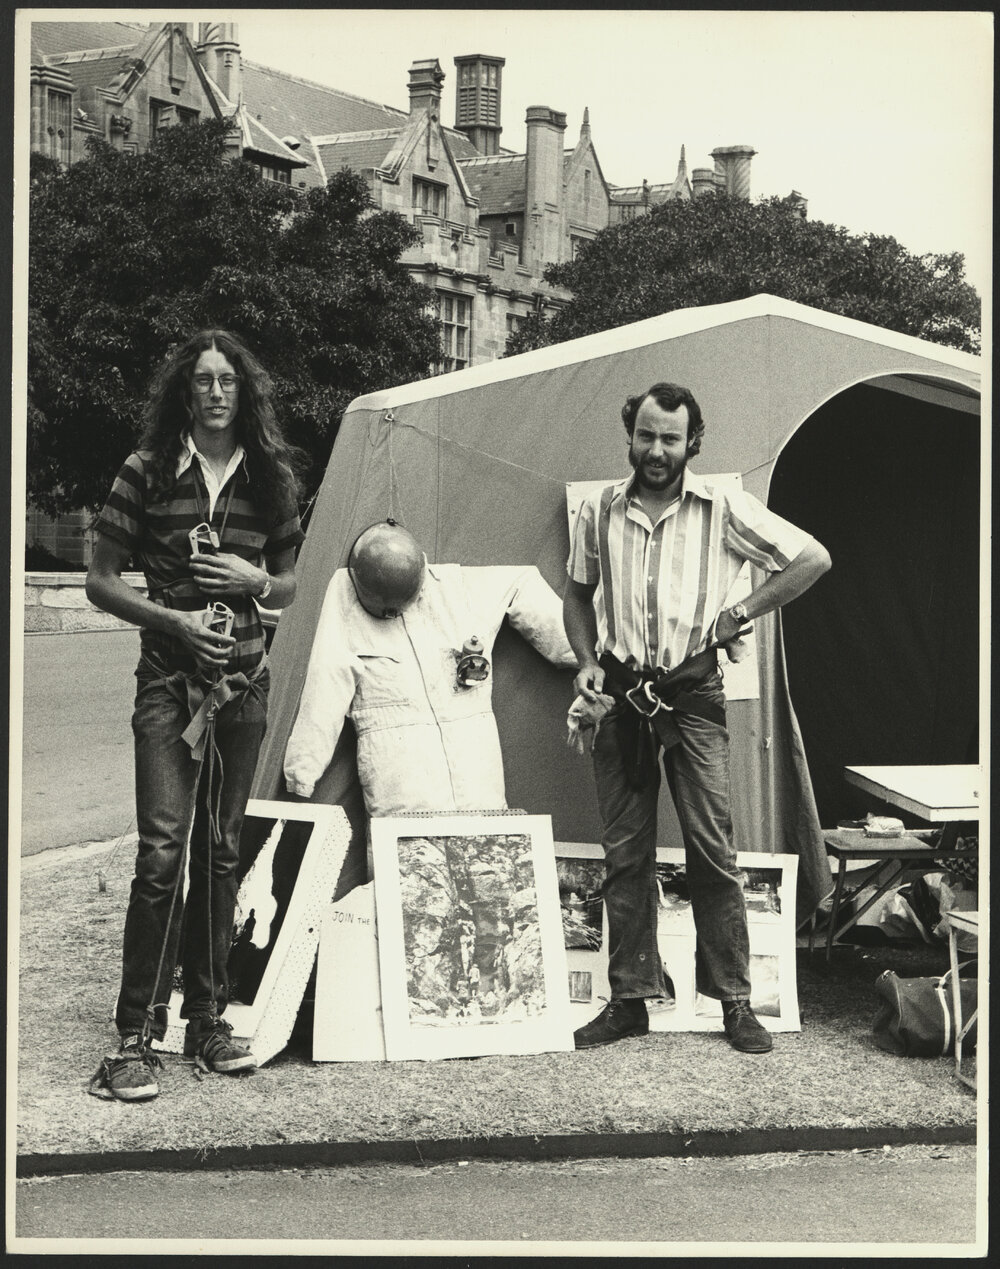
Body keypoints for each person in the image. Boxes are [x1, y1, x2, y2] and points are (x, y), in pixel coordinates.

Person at [563, 381, 830, 1053]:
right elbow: (576, 594)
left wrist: (740, 612)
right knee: (626, 854)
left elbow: (811, 559)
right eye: (646, 435)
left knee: (714, 850)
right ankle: (628, 999)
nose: (657, 450)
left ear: (692, 443)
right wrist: (586, 657)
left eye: (671, 439)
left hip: (694, 696)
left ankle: (735, 1002)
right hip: (622, 697)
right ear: (630, 434)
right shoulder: (599, 509)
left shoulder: (723, 507)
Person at [86, 329, 304, 1101]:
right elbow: (99, 580)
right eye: (203, 380)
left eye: (228, 381)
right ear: (186, 391)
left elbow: (291, 583)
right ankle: (132, 1037)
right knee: (160, 852)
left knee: (220, 852)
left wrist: (253, 577)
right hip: (169, 685)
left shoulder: (271, 478)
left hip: (243, 687)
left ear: (244, 393)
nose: (215, 391)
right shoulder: (146, 472)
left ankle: (206, 1020)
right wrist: (172, 622)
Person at [283, 520, 577, 816]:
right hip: (399, 774)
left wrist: (582, 652)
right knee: (403, 854)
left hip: (473, 761)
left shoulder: (457, 588)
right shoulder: (345, 596)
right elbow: (327, 679)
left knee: (488, 850)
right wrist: (302, 772)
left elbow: (521, 582)